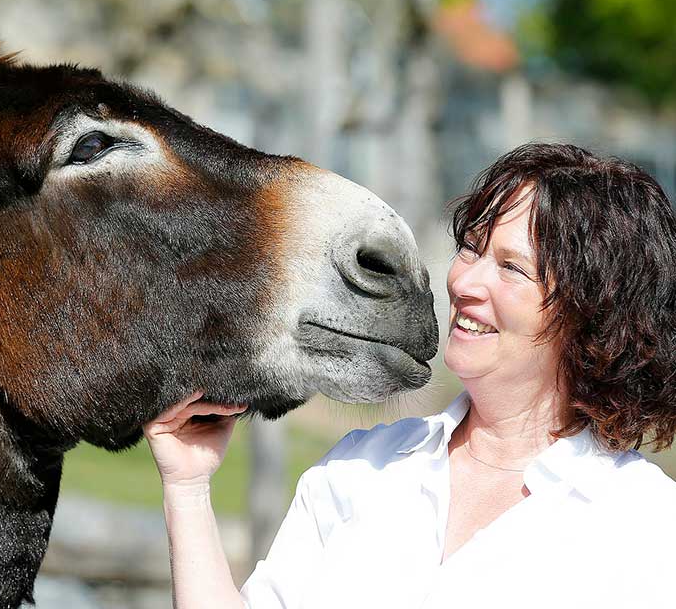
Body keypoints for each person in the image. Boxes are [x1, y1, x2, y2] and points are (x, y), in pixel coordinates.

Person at [143, 143, 676, 608]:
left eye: (511, 267)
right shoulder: (361, 467)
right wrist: (187, 487)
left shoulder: (646, 527)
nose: (465, 281)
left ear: (595, 318)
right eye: (472, 247)